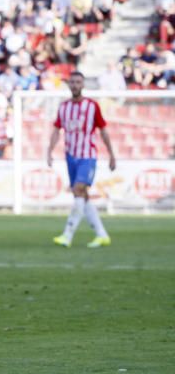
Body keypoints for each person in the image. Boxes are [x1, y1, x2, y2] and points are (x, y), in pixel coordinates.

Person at [47, 71, 116, 248]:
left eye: (78, 82)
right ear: (69, 85)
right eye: (72, 82)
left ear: (83, 85)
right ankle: (102, 235)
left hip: (88, 156)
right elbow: (56, 130)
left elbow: (104, 131)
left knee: (78, 190)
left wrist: (111, 155)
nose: (75, 85)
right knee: (83, 196)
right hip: (70, 156)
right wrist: (49, 150)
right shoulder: (63, 107)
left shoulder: (92, 106)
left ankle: (67, 235)